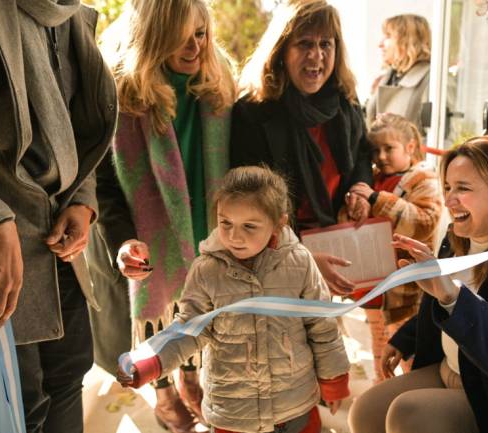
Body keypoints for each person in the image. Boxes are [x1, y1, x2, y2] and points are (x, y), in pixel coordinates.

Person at [348, 136, 488, 433]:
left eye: (463, 188)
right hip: (448, 368)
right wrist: (405, 338)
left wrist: (451, 294)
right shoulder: (455, 241)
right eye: (449, 187)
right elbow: (438, 303)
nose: (450, 200)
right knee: (365, 411)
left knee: (408, 415)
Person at [85, 0, 235, 431]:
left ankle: (191, 378)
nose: (195, 47)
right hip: (144, 234)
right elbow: (104, 185)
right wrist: (122, 240)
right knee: (158, 314)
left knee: (194, 307)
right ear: (155, 37)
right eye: (180, 37)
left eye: (201, 34)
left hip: (204, 223)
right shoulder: (120, 91)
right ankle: (165, 392)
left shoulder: (216, 82)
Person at [0, 1, 117, 432]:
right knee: (15, 403)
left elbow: (78, 124)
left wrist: (83, 199)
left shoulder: (67, 12)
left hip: (58, 252)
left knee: (71, 373)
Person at [117, 166, 351, 433]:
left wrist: (333, 382)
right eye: (225, 223)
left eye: (249, 226)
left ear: (279, 223)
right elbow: (188, 329)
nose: (234, 236)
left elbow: (322, 327)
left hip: (295, 406)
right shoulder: (205, 270)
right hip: (234, 413)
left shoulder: (299, 262)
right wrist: (150, 362)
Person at [230, 0, 373, 295]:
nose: (316, 56)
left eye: (326, 44)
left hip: (336, 245)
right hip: (274, 256)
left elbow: (362, 153)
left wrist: (360, 187)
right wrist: (301, 257)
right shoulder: (253, 113)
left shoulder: (346, 103)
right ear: (281, 51)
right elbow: (251, 203)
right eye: (304, 43)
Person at [340, 113, 442, 382]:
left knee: (407, 351)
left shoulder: (423, 179)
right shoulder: (371, 178)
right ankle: (380, 392)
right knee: (379, 350)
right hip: (375, 287)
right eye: (376, 150)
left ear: (410, 147)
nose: (381, 156)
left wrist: (376, 199)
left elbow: (425, 222)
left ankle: (410, 396)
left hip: (406, 292)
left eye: (389, 148)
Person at [366, 14, 431, 132]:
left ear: (407, 41)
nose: (380, 44)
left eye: (388, 36)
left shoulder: (432, 80)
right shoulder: (388, 77)